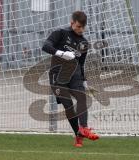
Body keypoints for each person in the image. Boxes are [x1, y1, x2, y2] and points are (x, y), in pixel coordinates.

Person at [42, 11, 99, 147]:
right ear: (72, 23)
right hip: (58, 75)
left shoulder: (84, 43)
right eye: (78, 26)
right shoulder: (60, 33)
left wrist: (84, 80)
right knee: (68, 105)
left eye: (83, 27)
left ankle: (84, 128)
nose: (81, 30)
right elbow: (45, 46)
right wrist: (61, 53)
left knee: (81, 97)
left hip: (75, 74)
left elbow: (81, 63)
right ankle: (78, 134)